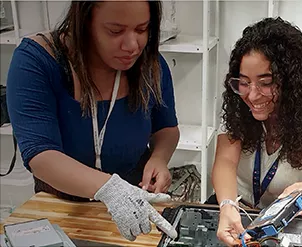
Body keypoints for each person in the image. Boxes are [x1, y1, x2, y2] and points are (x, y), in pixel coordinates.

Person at [6, 0, 179, 242]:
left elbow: (167, 128)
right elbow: (40, 154)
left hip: (135, 200)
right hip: (63, 206)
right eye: (115, 31)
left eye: (142, 29)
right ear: (84, 22)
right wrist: (110, 188)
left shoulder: (152, 65)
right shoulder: (38, 61)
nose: (132, 45)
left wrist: (159, 158)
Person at [210, 17, 302, 246]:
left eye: (266, 83)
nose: (252, 96)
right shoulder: (238, 109)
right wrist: (227, 205)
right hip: (239, 213)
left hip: (289, 223)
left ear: (293, 82)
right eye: (244, 82)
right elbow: (225, 162)